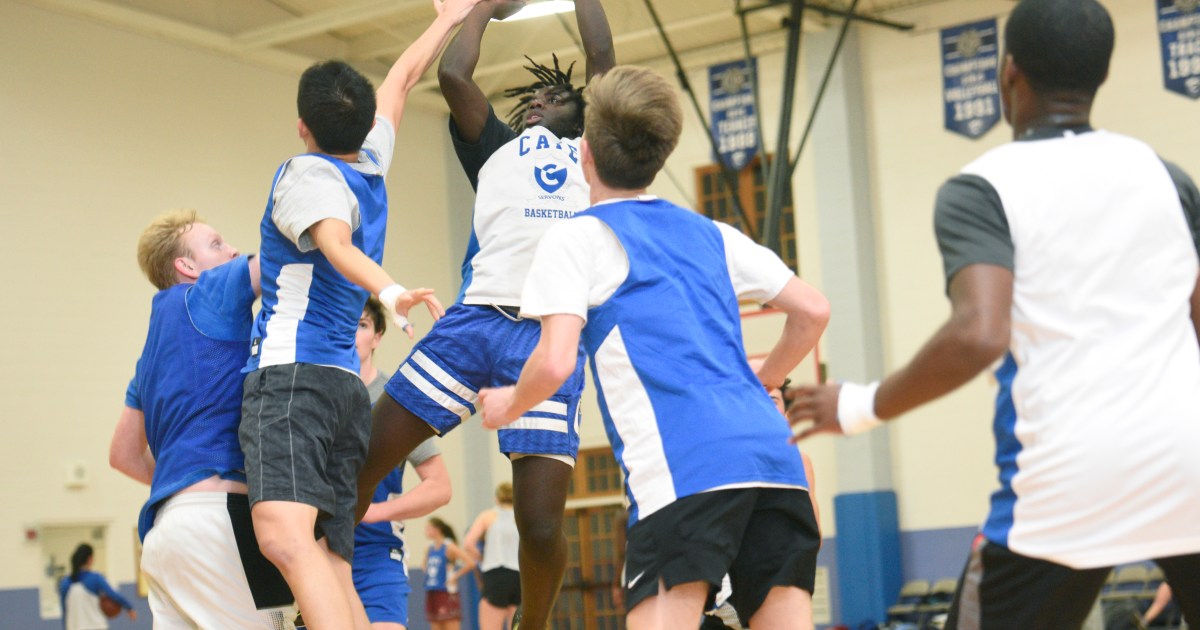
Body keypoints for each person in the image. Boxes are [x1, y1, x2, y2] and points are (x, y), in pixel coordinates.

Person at [786, 1, 1200, 628]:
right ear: (1102, 76)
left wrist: (860, 404)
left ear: (1009, 74)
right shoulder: (1167, 178)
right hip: (1187, 463)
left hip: (1069, 477)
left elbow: (980, 332)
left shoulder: (982, 186)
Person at [477, 65, 831, 629]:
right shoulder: (710, 232)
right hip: (774, 460)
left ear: (583, 153)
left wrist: (508, 404)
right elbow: (813, 311)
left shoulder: (576, 237)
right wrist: (764, 382)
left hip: (684, 465)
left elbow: (556, 360)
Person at [356, 1, 615, 627]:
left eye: (553, 97)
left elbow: (604, 63)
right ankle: (329, 590)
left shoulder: (592, 152)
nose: (537, 104)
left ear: (581, 113)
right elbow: (453, 76)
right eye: (532, 98)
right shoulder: (496, 148)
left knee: (541, 523)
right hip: (474, 322)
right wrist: (484, 8)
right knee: (359, 458)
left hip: (547, 336)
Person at [238, 0, 481, 626]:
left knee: (284, 537)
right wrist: (447, 18)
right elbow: (400, 79)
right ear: (366, 122)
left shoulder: (308, 175)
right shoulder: (371, 162)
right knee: (329, 559)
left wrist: (393, 289)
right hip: (345, 390)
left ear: (301, 126)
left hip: (295, 380)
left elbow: (337, 245)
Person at [110, 209, 298, 628]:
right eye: (216, 244)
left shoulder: (150, 352)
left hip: (164, 531)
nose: (230, 249)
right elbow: (283, 263)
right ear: (186, 266)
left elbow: (123, 454)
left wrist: (182, 479)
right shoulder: (209, 292)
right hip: (218, 522)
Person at [352, 298, 452, 630]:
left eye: (362, 324)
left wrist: (375, 512)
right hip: (317, 550)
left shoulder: (393, 401)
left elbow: (439, 487)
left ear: (377, 336)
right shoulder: (313, 395)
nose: (352, 332)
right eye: (346, 322)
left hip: (376, 553)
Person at [460, 483, 521, 630]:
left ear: (496, 498)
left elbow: (468, 543)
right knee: (517, 624)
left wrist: (481, 557)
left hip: (497, 573)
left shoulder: (488, 516)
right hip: (520, 575)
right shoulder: (521, 516)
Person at [58, 544, 136, 630]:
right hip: (96, 626)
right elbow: (113, 594)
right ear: (90, 559)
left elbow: (64, 610)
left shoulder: (65, 582)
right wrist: (129, 607)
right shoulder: (95, 578)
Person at [424, 517, 473, 630]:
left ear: (437, 529)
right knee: (435, 625)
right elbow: (425, 566)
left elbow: (470, 563)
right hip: (432, 590)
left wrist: (454, 576)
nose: (425, 531)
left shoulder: (449, 546)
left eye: (428, 528)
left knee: (450, 624)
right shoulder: (429, 548)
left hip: (446, 591)